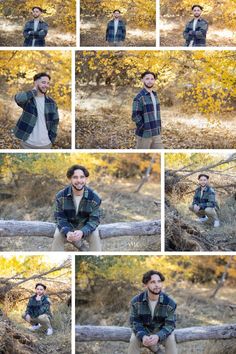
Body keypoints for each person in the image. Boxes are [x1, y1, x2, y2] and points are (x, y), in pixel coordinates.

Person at [52, 165, 102, 251]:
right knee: (57, 235)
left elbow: (94, 220)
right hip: (68, 226)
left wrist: (82, 231)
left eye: (82, 177)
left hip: (86, 226)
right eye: (75, 177)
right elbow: (59, 218)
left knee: (95, 235)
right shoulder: (60, 196)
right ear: (70, 179)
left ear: (86, 179)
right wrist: (67, 231)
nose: (79, 180)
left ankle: (96, 256)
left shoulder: (95, 197)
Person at [128, 270, 178, 354]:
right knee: (133, 340)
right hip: (143, 330)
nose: (157, 285)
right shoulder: (136, 302)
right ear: (145, 284)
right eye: (152, 282)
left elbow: (170, 325)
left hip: (161, 331)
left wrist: (158, 336)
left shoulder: (170, 303)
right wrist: (143, 335)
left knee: (171, 339)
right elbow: (135, 322)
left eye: (159, 281)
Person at [14, 72, 59, 149]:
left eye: (48, 83)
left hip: (46, 144)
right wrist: (33, 91)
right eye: (43, 82)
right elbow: (18, 99)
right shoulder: (28, 100)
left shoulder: (51, 103)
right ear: (35, 83)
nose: (46, 85)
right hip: (27, 143)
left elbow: (55, 122)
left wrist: (52, 139)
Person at [132, 71, 163, 149]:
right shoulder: (139, 97)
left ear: (154, 81)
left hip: (156, 133)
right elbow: (135, 116)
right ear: (142, 80)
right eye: (147, 79)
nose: (150, 81)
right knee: (141, 155)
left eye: (152, 79)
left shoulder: (155, 95)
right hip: (145, 134)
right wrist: (144, 127)